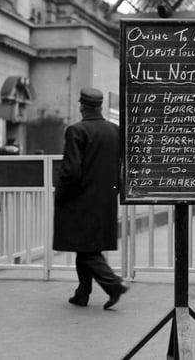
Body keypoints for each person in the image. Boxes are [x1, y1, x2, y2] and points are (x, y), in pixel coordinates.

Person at [53, 87, 129, 309]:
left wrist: (61, 193)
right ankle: (82, 292)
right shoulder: (114, 130)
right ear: (100, 106)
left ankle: (113, 284)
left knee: (85, 249)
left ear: (82, 107)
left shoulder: (76, 131)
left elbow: (72, 170)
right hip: (104, 200)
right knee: (87, 247)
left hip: (80, 200)